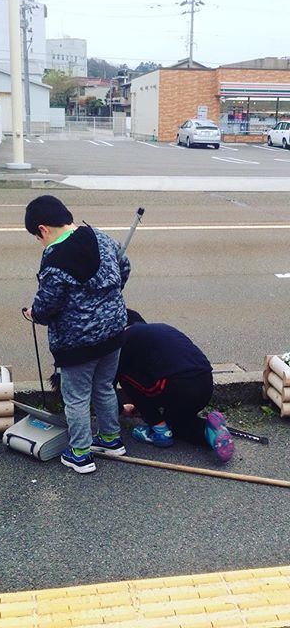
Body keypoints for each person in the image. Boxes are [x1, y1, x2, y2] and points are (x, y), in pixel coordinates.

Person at [24, 195, 131, 474]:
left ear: (43, 229)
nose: (41, 242)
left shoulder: (55, 260)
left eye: (38, 236)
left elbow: (47, 306)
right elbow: (125, 267)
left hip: (78, 343)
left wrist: (32, 313)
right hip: (114, 331)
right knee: (105, 386)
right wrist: (106, 301)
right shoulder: (100, 236)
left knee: (77, 397)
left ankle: (80, 454)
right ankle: (111, 440)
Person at [118, 309, 234, 462]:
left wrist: (121, 409)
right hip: (205, 383)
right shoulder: (154, 331)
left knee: (123, 374)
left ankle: (159, 429)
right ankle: (211, 432)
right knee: (177, 424)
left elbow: (105, 386)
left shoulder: (123, 340)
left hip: (179, 386)